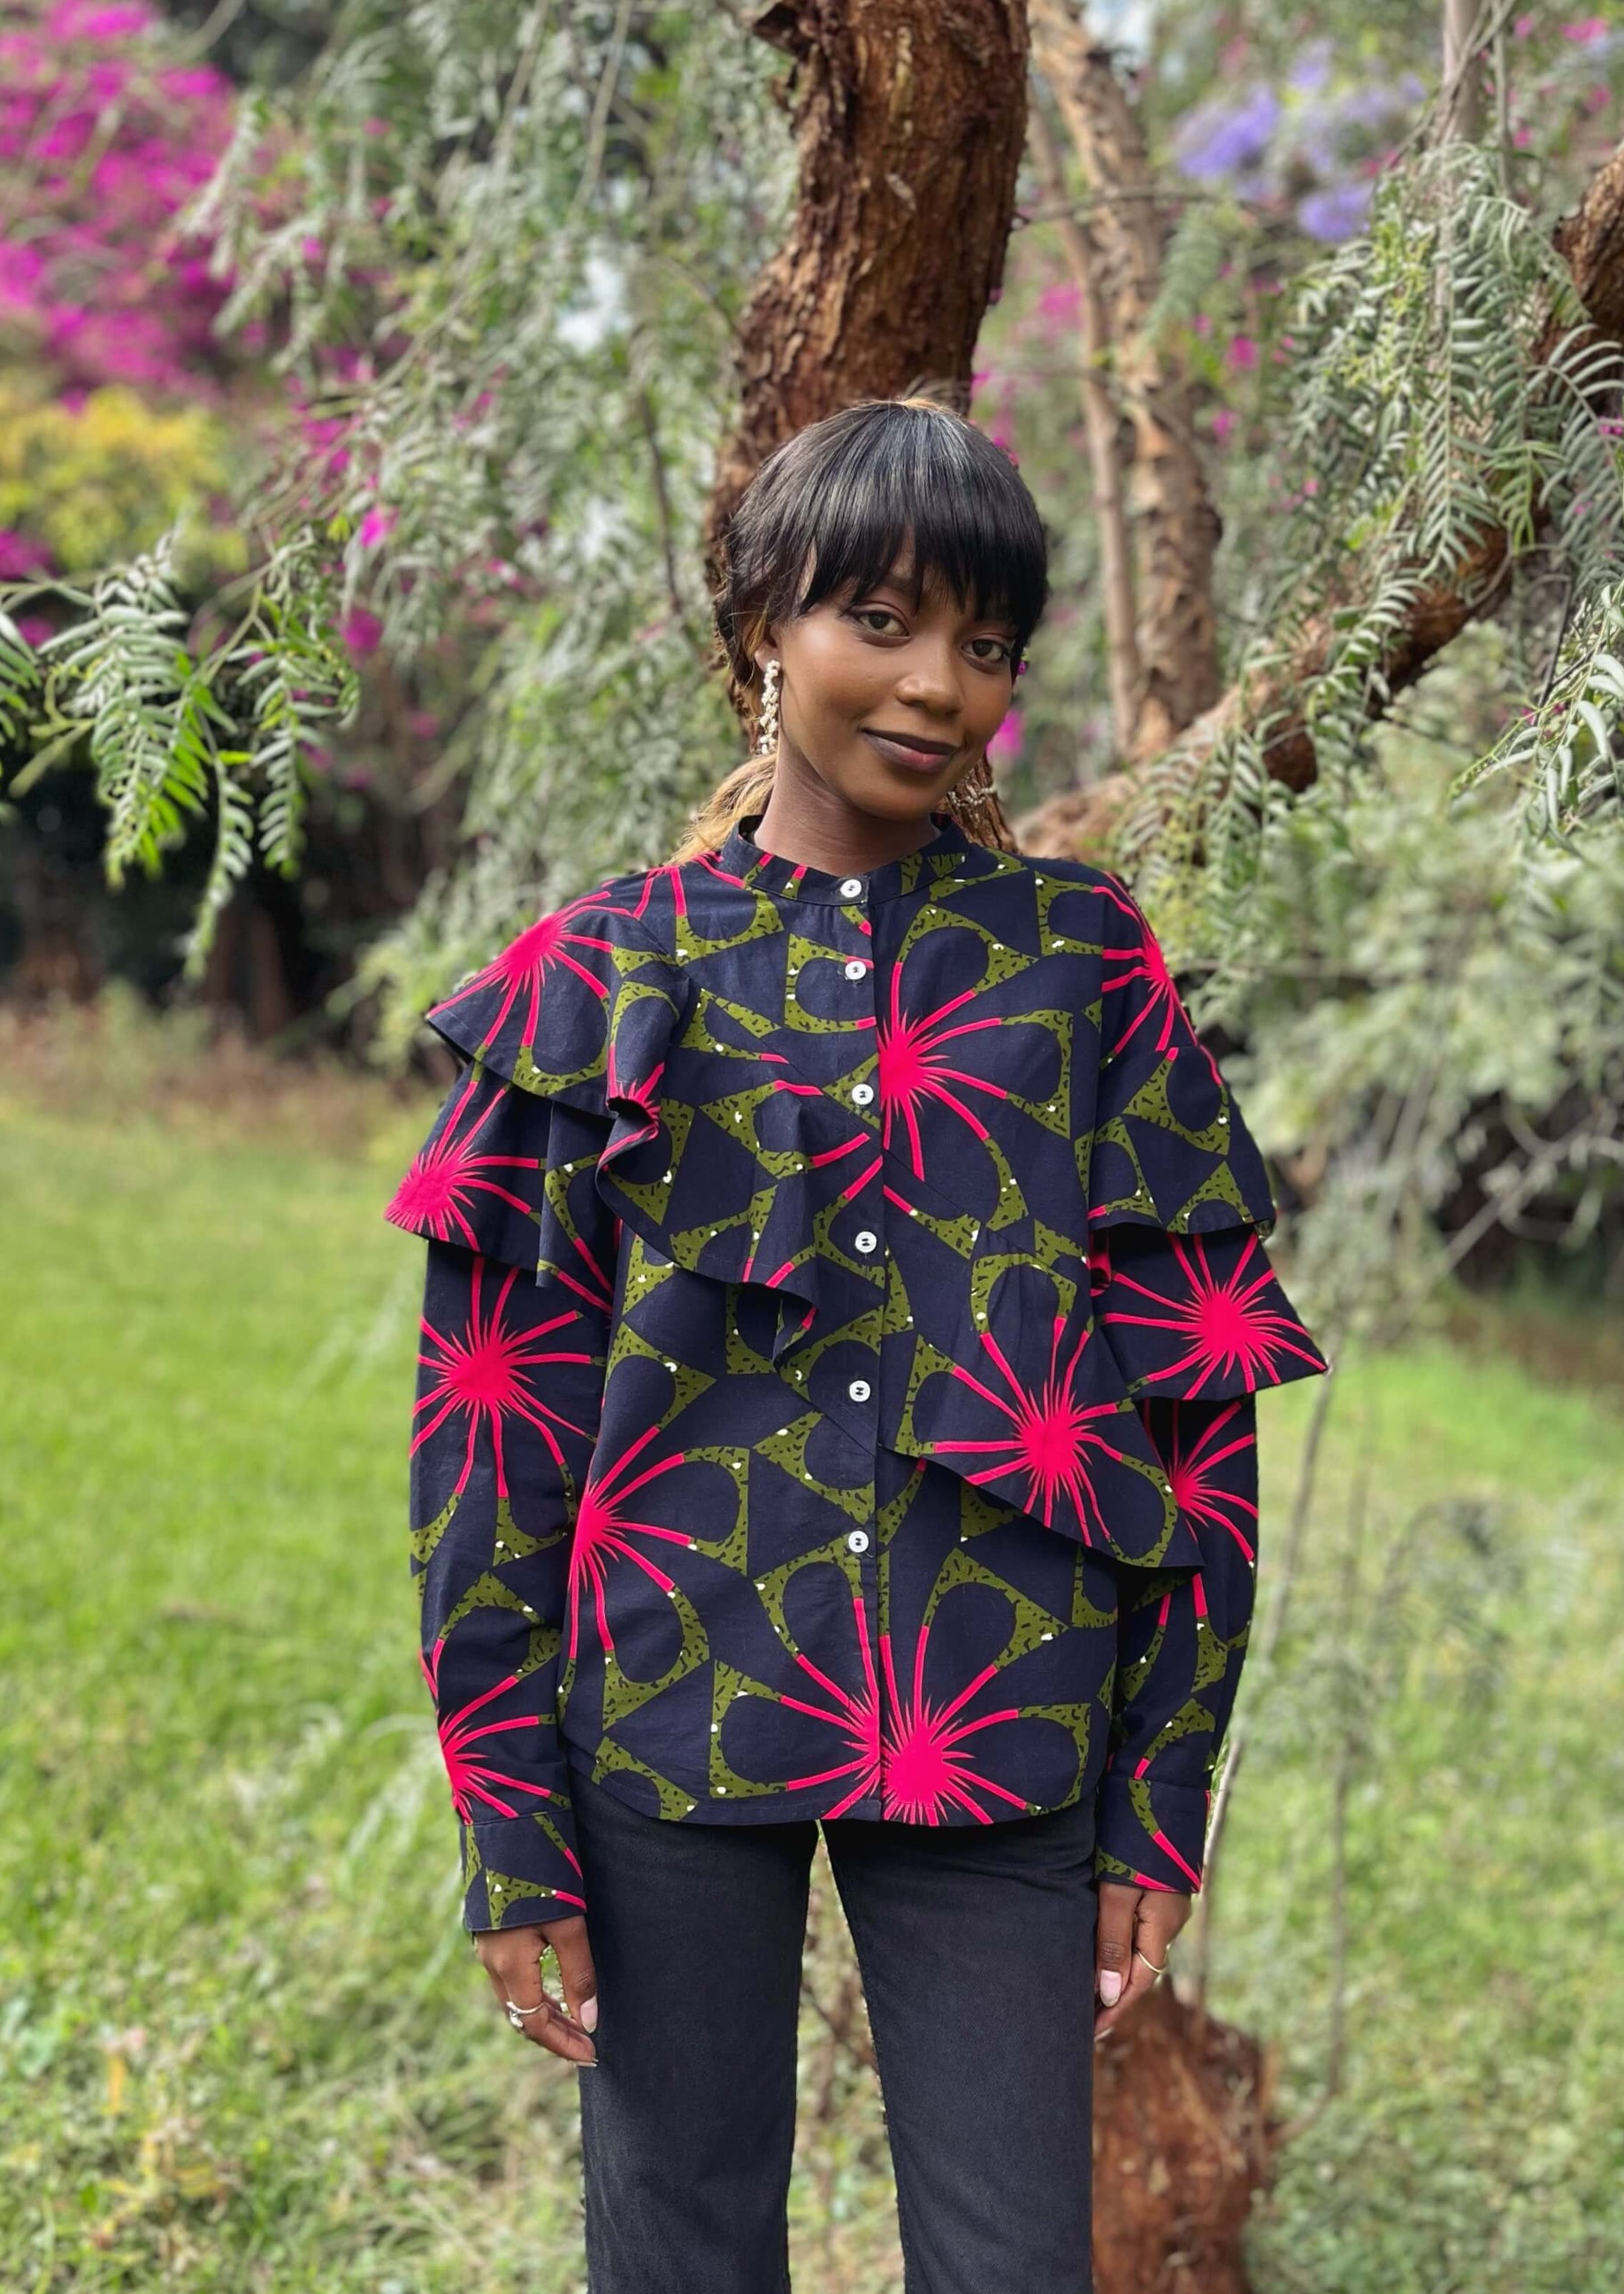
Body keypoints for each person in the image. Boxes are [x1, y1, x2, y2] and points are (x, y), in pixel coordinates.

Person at [386, 394, 1327, 2294]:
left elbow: (1196, 1404)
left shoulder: (1084, 963)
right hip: (666, 1707)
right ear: (764, 626)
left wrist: (1161, 1793)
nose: (935, 685)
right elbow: (492, 1426)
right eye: (878, 621)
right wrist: (512, 1824)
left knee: (1009, 2261)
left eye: (986, 642)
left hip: (1008, 1711)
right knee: (679, 2248)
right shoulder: (604, 972)